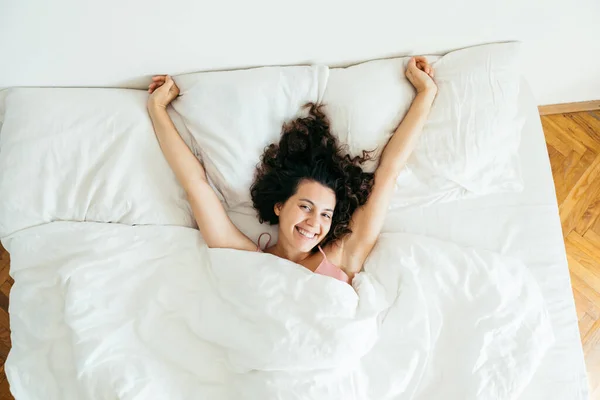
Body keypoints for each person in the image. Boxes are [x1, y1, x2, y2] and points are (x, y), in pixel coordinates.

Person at [147, 57, 437, 284]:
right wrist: (157, 109)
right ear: (279, 206)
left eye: (325, 214)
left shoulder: (343, 255)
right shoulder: (244, 256)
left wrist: (426, 93)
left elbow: (388, 172)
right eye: (305, 206)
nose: (314, 222)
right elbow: (195, 183)